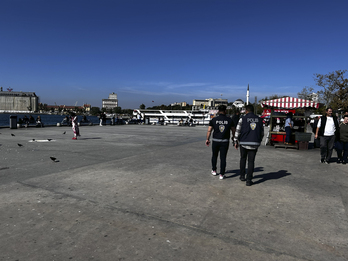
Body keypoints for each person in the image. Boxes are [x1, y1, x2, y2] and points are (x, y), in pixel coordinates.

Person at [234, 105, 264, 186]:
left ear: (246, 111)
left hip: (244, 142)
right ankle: (249, 179)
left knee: (243, 159)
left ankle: (242, 175)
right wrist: (259, 140)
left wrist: (235, 141)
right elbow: (262, 132)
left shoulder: (242, 119)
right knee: (251, 161)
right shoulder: (259, 119)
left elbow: (238, 130)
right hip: (254, 143)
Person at [205, 105, 235, 180]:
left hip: (215, 140)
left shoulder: (214, 120)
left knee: (214, 156)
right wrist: (234, 139)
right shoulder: (229, 120)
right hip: (225, 141)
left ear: (218, 111)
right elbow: (233, 131)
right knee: (223, 157)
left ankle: (214, 170)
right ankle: (222, 174)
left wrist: (207, 139)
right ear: (225, 111)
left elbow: (209, 130)